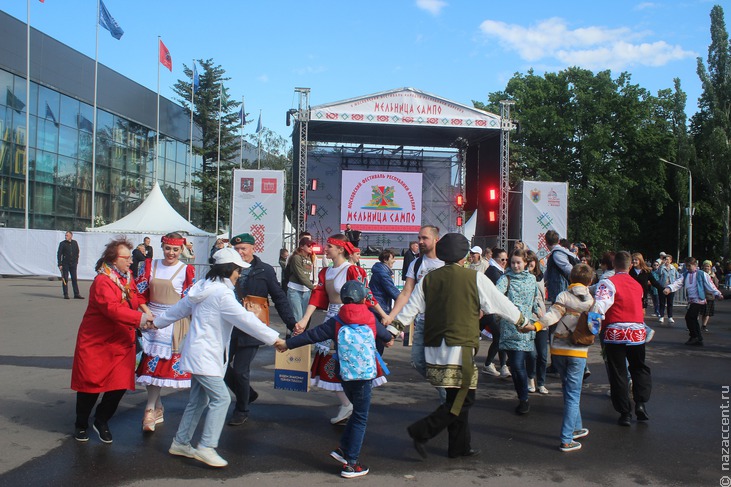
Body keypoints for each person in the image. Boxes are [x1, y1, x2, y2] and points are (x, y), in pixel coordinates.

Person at [149, 247, 285, 468]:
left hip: (201, 354)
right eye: (237, 271)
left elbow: (179, 309)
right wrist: (275, 339)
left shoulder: (202, 287)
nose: (239, 275)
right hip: (206, 357)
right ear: (229, 270)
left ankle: (181, 442)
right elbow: (245, 320)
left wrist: (156, 322)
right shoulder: (221, 294)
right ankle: (206, 447)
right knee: (221, 399)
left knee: (198, 400)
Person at [395, 233, 526, 459]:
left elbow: (410, 309)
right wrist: (522, 321)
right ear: (464, 256)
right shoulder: (473, 278)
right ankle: (421, 431)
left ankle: (459, 447)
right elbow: (500, 302)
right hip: (460, 347)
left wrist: (391, 329)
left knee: (455, 397)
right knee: (465, 398)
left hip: (435, 348)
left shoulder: (430, 278)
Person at [280, 280, 394, 478]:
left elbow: (312, 335)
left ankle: (343, 449)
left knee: (356, 411)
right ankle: (351, 464)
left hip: (344, 374)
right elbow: (386, 337)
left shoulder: (337, 320)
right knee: (360, 417)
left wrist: (287, 344)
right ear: (362, 298)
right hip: (364, 375)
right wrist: (389, 338)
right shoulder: (369, 317)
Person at [294, 234, 389, 425]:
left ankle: (354, 403)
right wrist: (304, 320)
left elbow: (366, 295)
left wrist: (382, 315)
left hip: (352, 319)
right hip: (333, 317)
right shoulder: (325, 272)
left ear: (339, 249)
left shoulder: (352, 270)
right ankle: (347, 404)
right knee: (329, 363)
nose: (325, 249)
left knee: (352, 361)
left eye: (329, 246)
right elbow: (317, 297)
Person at [71, 237, 152, 443]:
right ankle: (81, 424)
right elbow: (111, 309)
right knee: (90, 386)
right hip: (97, 341)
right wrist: (140, 319)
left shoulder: (127, 276)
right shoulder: (102, 281)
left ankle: (102, 420)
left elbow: (135, 297)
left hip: (122, 340)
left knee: (119, 384)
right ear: (113, 259)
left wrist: (147, 310)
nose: (130, 261)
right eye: (126, 258)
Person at [521, 263, 596, 451]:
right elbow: (596, 326)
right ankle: (566, 439)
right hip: (578, 352)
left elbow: (552, 316)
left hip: (558, 350)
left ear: (570, 279)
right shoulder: (592, 301)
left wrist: (536, 326)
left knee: (569, 391)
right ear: (590, 281)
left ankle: (576, 427)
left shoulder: (564, 295)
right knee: (573, 394)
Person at [225, 233, 297, 426]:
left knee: (240, 370)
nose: (240, 252)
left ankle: (242, 408)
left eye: (244, 249)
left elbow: (279, 297)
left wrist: (291, 323)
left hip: (252, 328)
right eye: (237, 249)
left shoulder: (264, 270)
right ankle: (247, 393)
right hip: (228, 327)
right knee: (220, 367)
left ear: (253, 249)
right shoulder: (227, 269)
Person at [136, 233, 196, 432]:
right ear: (162, 247)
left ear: (181, 250)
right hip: (150, 319)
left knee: (158, 368)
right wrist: (147, 314)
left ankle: (150, 409)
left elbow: (189, 300)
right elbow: (139, 294)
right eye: (168, 248)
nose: (171, 253)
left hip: (173, 322)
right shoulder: (148, 265)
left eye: (176, 250)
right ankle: (155, 407)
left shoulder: (186, 270)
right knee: (149, 368)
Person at [592, 251, 652, 426]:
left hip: (615, 332)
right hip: (636, 332)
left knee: (618, 372)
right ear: (630, 265)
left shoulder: (608, 283)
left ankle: (625, 412)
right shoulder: (637, 285)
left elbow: (600, 305)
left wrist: (593, 326)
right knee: (639, 367)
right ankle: (640, 403)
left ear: (614, 265)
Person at [384, 225, 444, 392]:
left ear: (435, 239)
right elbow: (406, 293)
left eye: (424, 238)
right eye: (419, 238)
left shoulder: (448, 262)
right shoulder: (416, 264)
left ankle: (449, 403)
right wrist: (391, 318)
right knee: (418, 362)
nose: (420, 242)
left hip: (444, 323)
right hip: (422, 322)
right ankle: (447, 393)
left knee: (443, 365)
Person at [495, 249, 543, 415]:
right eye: (513, 262)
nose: (515, 265)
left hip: (526, 326)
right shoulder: (505, 278)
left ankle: (524, 399)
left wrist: (538, 311)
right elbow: (495, 296)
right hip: (510, 326)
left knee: (517, 363)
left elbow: (534, 300)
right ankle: (523, 395)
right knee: (516, 365)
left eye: (518, 262)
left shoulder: (531, 279)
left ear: (525, 263)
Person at [664, 257, 723, 346]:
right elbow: (678, 283)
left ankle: (694, 336)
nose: (687, 268)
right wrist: (669, 288)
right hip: (691, 300)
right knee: (692, 318)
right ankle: (697, 338)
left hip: (699, 299)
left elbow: (710, 285)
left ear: (695, 265)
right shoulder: (685, 275)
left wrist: (718, 293)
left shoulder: (702, 274)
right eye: (686, 266)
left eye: (689, 266)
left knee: (689, 317)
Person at [482, 247, 510, 378]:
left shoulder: (498, 270)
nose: (504, 261)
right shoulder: (493, 271)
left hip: (491, 310)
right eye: (502, 259)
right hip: (487, 310)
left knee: (500, 336)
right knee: (499, 336)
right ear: (494, 259)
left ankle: (502, 365)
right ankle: (490, 364)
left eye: (506, 259)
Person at [369, 249, 401, 354]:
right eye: (393, 258)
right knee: (379, 339)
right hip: (380, 309)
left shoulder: (380, 271)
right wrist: (406, 299)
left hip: (377, 307)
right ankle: (376, 363)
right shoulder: (382, 274)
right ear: (386, 259)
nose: (394, 261)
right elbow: (394, 292)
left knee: (377, 337)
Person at [525, 249, 548, 394]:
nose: (529, 264)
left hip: (542, 318)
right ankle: (530, 379)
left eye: (531, 260)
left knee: (543, 355)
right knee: (532, 354)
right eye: (526, 261)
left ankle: (541, 382)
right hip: (528, 319)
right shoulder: (521, 278)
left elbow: (543, 298)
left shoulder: (540, 277)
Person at [285, 237, 315, 323]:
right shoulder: (296, 258)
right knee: (297, 317)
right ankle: (295, 336)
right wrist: (312, 287)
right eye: (309, 245)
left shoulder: (310, 258)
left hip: (306, 291)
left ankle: (300, 335)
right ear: (301, 247)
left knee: (305, 318)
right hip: (295, 290)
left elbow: (310, 274)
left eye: (311, 246)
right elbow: (300, 275)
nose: (311, 247)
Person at [544, 230, 579, 303]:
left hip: (561, 292)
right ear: (558, 241)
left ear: (546, 243)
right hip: (562, 291)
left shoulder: (557, 254)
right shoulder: (565, 251)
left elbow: (569, 269)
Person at [57, 231, 83, 300]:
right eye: (65, 235)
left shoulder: (74, 243)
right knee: (65, 278)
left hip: (73, 264)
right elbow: (59, 254)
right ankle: (66, 294)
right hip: (65, 264)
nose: (66, 237)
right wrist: (60, 264)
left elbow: (77, 252)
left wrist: (76, 261)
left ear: (71, 236)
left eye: (67, 235)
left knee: (74, 278)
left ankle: (76, 294)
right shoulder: (62, 244)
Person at [657, 253, 679, 324]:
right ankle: (661, 316)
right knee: (662, 302)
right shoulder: (662, 267)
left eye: (668, 259)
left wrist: (675, 284)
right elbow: (659, 274)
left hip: (671, 287)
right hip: (663, 287)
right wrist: (661, 266)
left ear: (671, 260)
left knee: (670, 303)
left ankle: (670, 317)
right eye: (665, 259)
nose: (667, 261)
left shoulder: (673, 268)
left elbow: (677, 276)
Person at [701, 260, 720, 332]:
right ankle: (694, 325)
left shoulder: (713, 275)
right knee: (699, 312)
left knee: (707, 313)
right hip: (701, 295)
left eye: (708, 266)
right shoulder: (700, 274)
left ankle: (704, 325)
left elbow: (716, 285)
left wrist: (714, 277)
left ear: (710, 267)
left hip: (710, 296)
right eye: (705, 266)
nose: (707, 267)